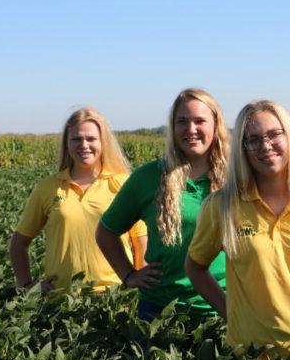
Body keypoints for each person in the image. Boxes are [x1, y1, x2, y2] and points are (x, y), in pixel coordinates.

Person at [185, 100, 290, 357]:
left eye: (274, 134)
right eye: (253, 140)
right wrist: (230, 312)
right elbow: (195, 267)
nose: (265, 146)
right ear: (243, 149)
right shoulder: (221, 207)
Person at [96, 88, 229, 321]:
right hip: (160, 310)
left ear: (215, 125)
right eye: (182, 122)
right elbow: (106, 232)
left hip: (223, 307)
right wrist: (128, 275)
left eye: (200, 121)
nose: (191, 129)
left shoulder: (237, 177)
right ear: (173, 127)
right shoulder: (148, 177)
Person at [10, 107, 146, 293]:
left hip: (115, 298)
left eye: (91, 139)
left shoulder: (124, 184)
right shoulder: (48, 187)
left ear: (103, 142)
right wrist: (27, 287)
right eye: (76, 139)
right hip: (61, 300)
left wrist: (139, 285)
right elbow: (18, 243)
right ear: (67, 144)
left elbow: (141, 243)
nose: (84, 145)